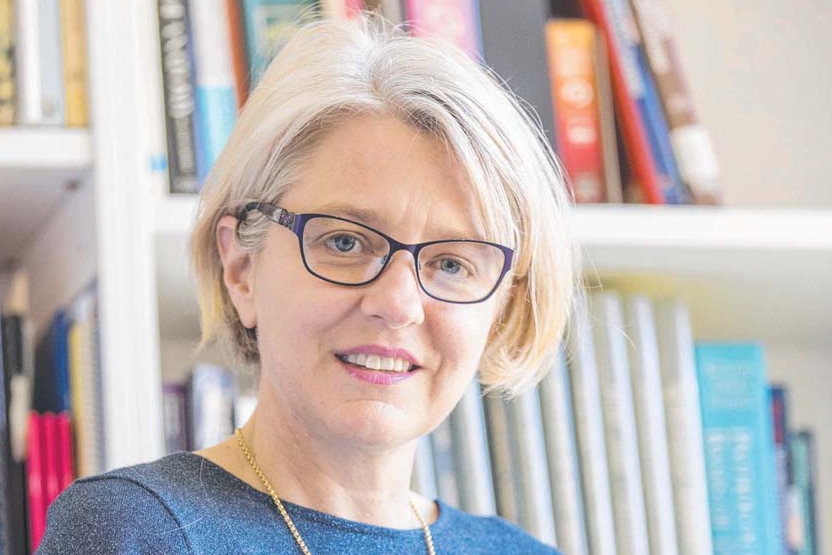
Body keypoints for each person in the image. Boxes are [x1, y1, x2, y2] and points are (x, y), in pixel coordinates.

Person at [38, 12, 578, 555]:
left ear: (500, 307)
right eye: (345, 242)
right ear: (242, 269)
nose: (397, 304)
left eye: (453, 264)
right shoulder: (134, 532)